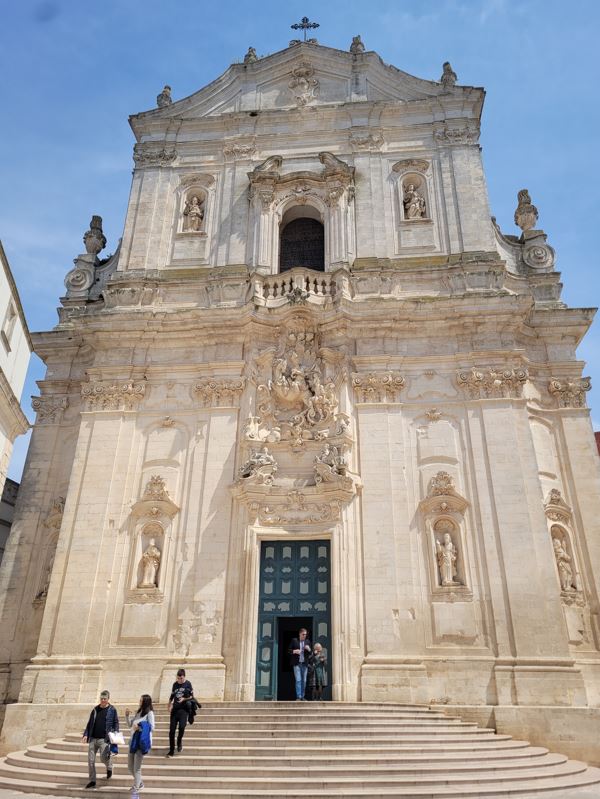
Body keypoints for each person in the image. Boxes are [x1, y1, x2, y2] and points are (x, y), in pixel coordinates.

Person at [82, 690, 120, 789]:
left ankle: (109, 767)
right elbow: (89, 723)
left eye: (105, 699)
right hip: (93, 739)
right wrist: (86, 734)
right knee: (90, 760)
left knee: (103, 758)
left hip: (104, 739)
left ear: (108, 699)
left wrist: (116, 732)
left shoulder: (112, 710)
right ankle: (92, 781)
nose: (103, 700)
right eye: (101, 698)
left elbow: (116, 722)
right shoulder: (95, 709)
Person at [126, 694, 155, 792]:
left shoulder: (149, 713)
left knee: (137, 768)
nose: (139, 702)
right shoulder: (138, 712)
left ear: (145, 702)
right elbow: (130, 725)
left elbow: (152, 727)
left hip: (141, 742)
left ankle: (136, 786)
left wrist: (140, 728)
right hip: (133, 741)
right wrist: (127, 716)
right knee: (130, 767)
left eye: (141, 700)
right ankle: (140, 783)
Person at [166, 668, 194, 756]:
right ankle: (171, 750)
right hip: (175, 710)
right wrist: (169, 705)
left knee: (182, 727)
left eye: (181, 678)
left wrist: (184, 699)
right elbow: (171, 696)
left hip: (183, 710)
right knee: (171, 731)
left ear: (184, 677)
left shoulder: (188, 684)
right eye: (178, 678)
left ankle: (179, 741)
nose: (179, 680)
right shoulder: (175, 685)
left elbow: (192, 697)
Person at [288, 628, 311, 700]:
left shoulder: (307, 641)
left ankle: (303, 696)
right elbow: (289, 650)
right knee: (298, 680)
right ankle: (299, 696)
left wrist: (309, 649)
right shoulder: (294, 640)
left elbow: (311, 653)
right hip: (297, 664)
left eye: (305, 634)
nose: (304, 636)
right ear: (299, 634)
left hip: (304, 664)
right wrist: (294, 651)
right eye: (303, 634)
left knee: (304, 681)